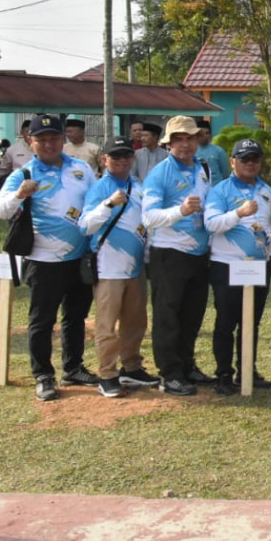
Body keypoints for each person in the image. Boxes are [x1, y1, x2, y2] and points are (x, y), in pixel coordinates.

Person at [0, 113, 97, 401]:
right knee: (42, 320)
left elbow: (94, 202)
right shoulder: (24, 174)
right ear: (31, 141)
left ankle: (73, 367)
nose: (49, 144)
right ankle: (43, 375)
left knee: (75, 317)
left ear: (64, 139)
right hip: (43, 260)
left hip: (79, 257)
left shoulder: (81, 169)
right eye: (42, 139)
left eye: (54, 138)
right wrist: (19, 196)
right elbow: (0, 209)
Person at [78, 136, 158, 398]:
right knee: (107, 325)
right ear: (105, 160)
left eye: (126, 156)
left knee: (135, 322)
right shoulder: (100, 189)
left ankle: (132, 367)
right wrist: (109, 204)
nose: (122, 161)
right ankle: (108, 374)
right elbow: (85, 225)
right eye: (116, 156)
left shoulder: (139, 187)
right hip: (108, 268)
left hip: (135, 267)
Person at [142, 115, 214, 396]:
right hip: (169, 253)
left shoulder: (202, 167)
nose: (185, 144)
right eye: (179, 139)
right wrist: (180, 211)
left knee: (192, 314)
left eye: (190, 138)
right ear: (168, 143)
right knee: (167, 315)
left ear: (198, 140)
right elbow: (148, 216)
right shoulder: (159, 173)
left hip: (199, 252)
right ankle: (170, 374)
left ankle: (186, 365)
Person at [204, 138, 271, 395]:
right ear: (233, 161)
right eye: (244, 159)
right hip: (226, 264)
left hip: (257, 266)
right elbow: (211, 223)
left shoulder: (266, 191)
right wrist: (239, 213)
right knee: (226, 322)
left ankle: (248, 369)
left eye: (255, 159)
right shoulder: (220, 190)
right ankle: (224, 374)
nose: (250, 163)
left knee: (252, 322)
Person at [195, 119, 230, 185]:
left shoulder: (219, 151)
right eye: (201, 134)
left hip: (216, 187)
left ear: (210, 134)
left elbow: (225, 173)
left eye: (207, 133)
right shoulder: (191, 151)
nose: (204, 136)